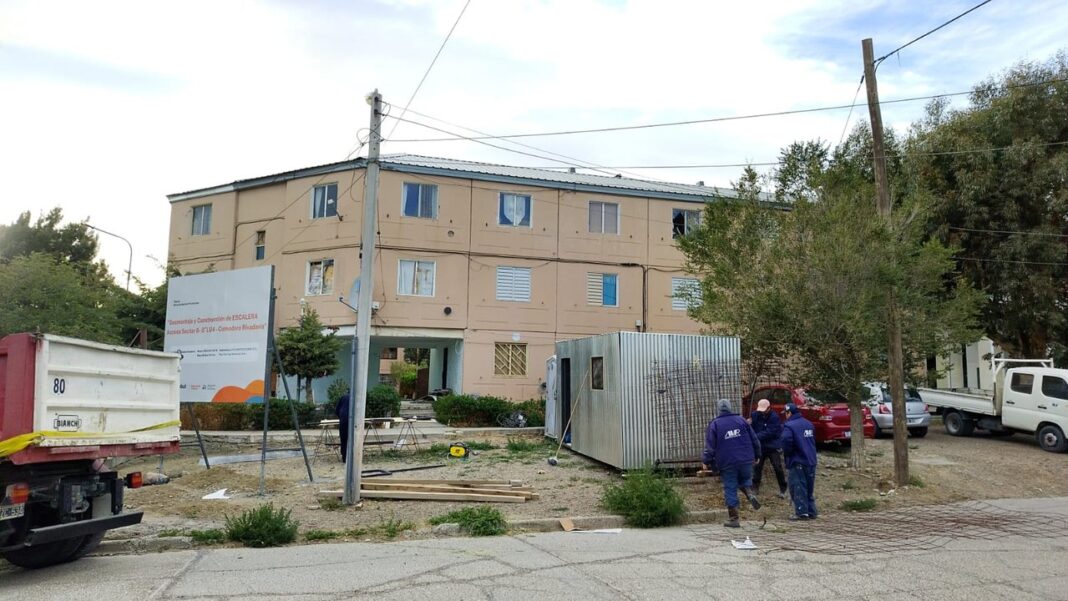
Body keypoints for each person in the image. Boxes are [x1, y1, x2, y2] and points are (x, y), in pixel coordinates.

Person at [702, 399, 762, 528]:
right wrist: (757, 455)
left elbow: (710, 447)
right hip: (746, 459)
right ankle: (750, 493)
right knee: (745, 480)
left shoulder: (715, 424)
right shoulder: (742, 420)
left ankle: (734, 518)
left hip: (727, 462)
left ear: (719, 409)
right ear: (730, 408)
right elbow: (755, 439)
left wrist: (706, 461)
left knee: (730, 487)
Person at [780, 403, 818, 520]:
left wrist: (787, 453)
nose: (785, 416)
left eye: (785, 414)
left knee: (798, 486)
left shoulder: (789, 426)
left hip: (798, 460)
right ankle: (811, 511)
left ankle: (801, 512)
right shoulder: (808, 424)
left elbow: (786, 441)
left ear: (789, 413)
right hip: (811, 460)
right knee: (809, 487)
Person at [750, 399, 788, 499]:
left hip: (772, 446)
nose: (762, 412)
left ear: (769, 408)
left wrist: (755, 436)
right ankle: (755, 487)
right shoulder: (755, 415)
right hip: (760, 446)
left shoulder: (774, 417)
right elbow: (752, 427)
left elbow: (770, 432)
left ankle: (783, 488)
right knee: (757, 467)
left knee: (777, 467)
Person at [335, 393, 350, 463]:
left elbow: (337, 410)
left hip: (343, 420)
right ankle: (353, 456)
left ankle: (344, 457)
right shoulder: (358, 397)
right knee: (353, 439)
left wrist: (341, 417)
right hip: (354, 421)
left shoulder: (343, 397)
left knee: (344, 439)